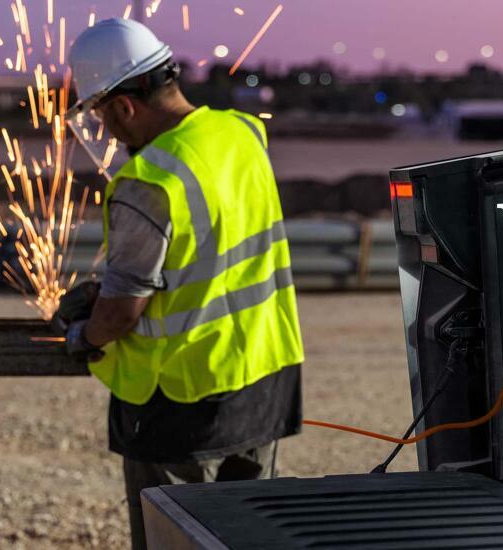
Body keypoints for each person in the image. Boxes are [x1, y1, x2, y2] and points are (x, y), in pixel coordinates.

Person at [62, 18, 304, 550]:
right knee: (252, 536)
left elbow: (121, 314)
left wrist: (84, 335)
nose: (108, 133)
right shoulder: (241, 132)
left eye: (104, 117)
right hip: (264, 373)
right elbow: (212, 252)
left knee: (173, 537)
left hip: (178, 399)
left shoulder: (147, 181)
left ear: (124, 106)